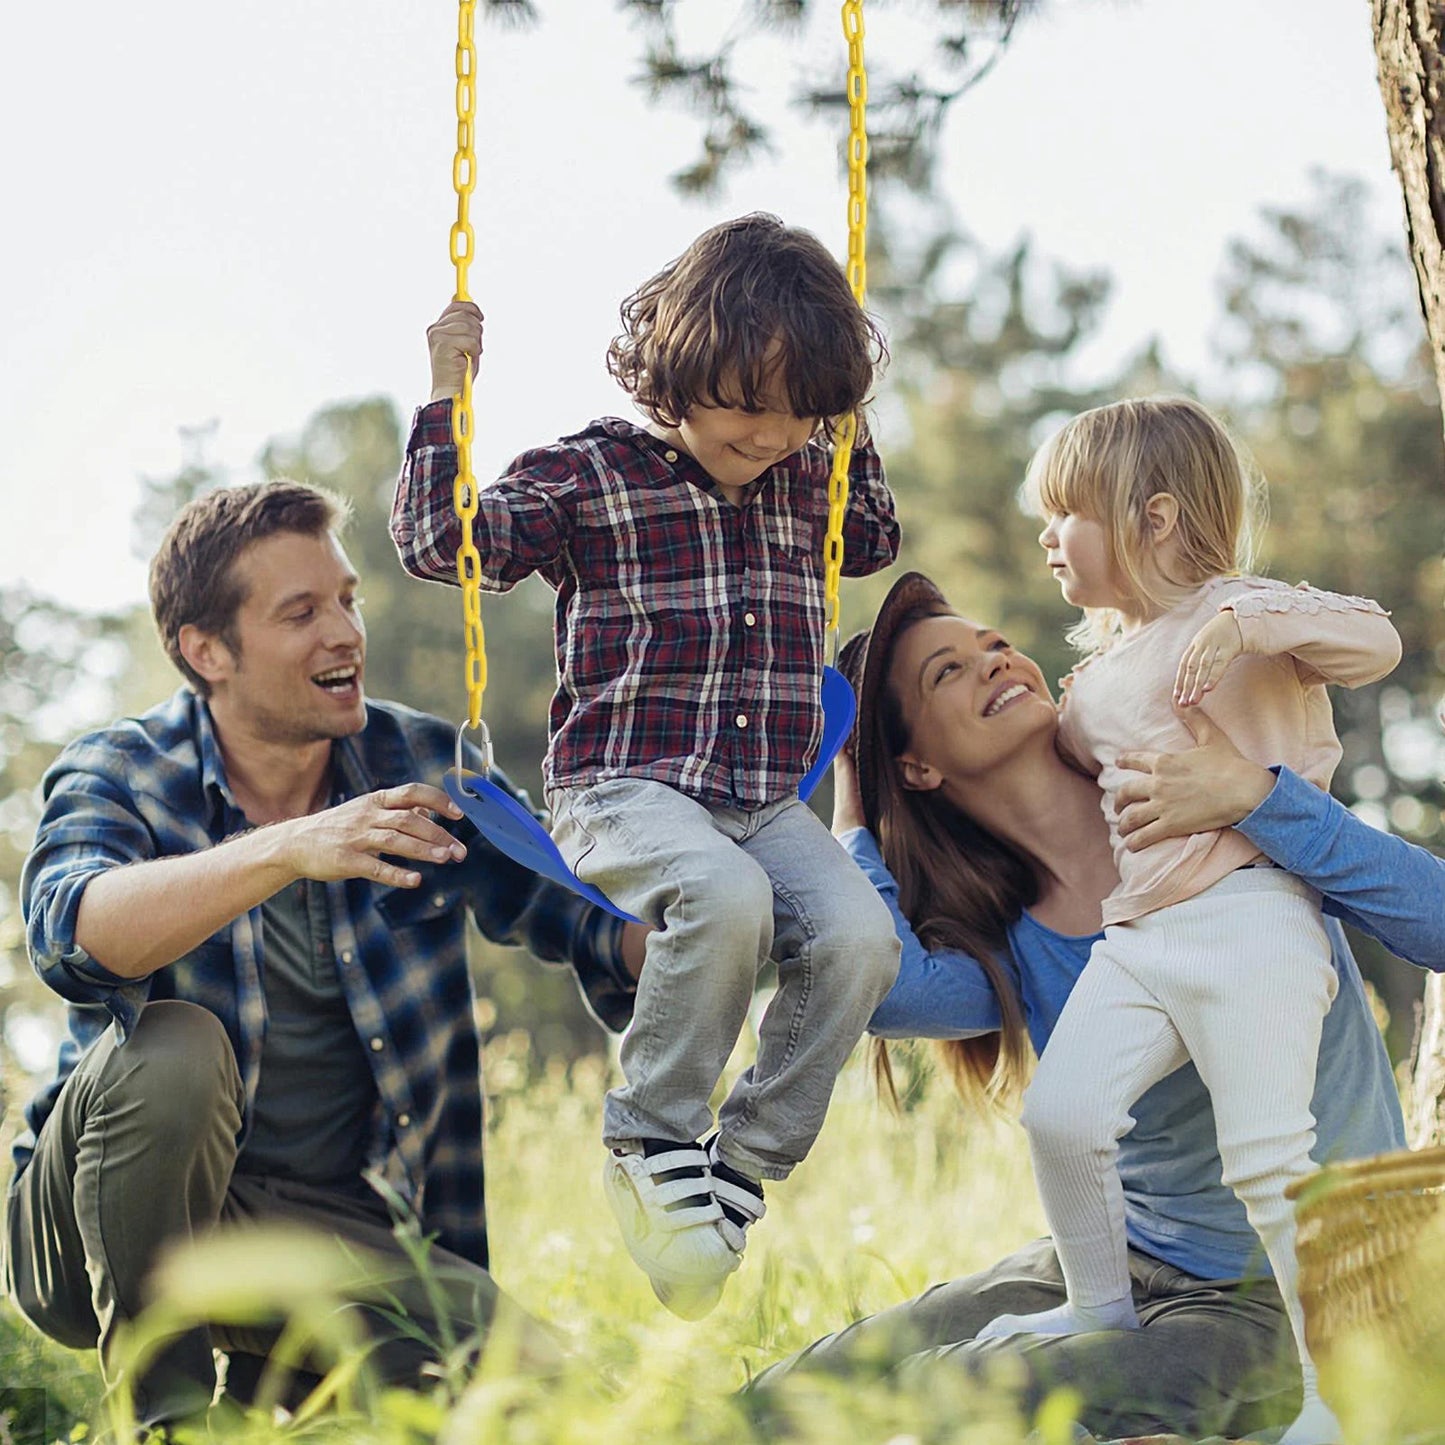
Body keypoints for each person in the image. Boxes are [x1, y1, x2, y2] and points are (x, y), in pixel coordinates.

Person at [730, 566, 1434, 1441]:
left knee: (944, 1398)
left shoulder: (1212, 816)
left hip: (1287, 1304)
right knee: (805, 1387)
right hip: (1110, 1274)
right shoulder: (1012, 940)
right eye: (947, 671)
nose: (995, 661)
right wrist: (853, 794)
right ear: (915, 765)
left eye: (992, 644)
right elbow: (885, 986)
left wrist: (1261, 798)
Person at [3, 480, 642, 1431]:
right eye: (301, 612)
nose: (344, 632)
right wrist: (284, 849)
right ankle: (164, 1419)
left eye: (346, 599)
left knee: (561, 1402)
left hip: (332, 1229)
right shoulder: (122, 769)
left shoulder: (423, 766)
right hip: (97, 1217)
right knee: (171, 1048)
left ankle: (288, 1390)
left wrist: (733, 917)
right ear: (206, 651)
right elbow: (70, 933)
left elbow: (592, 923)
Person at [390, 212, 903, 1319]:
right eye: (747, 402)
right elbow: (447, 542)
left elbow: (870, 539)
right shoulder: (590, 473)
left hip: (760, 799)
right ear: (676, 367)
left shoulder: (810, 472)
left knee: (862, 936)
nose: (772, 434)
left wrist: (845, 411)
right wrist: (446, 393)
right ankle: (649, 1136)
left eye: (799, 408)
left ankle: (739, 1165)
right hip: (622, 788)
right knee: (723, 900)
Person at [965, 398, 1401, 1443]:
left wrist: (1253, 623)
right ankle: (1095, 1308)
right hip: (1144, 936)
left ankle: (1330, 1395)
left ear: (1152, 518)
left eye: (1065, 512)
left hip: (1256, 923)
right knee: (1060, 1118)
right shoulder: (1102, 670)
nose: (1044, 535)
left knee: (1264, 1156)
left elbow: (1373, 639)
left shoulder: (1241, 614)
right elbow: (1064, 748)